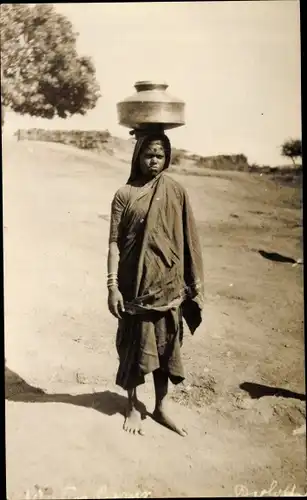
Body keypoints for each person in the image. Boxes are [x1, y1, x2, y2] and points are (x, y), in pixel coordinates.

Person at [107, 128, 204, 436]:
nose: (154, 161)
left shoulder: (176, 191)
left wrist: (191, 284)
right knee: (135, 346)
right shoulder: (125, 194)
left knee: (165, 347)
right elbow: (114, 243)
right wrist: (112, 286)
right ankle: (133, 405)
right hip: (134, 286)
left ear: (167, 158)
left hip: (168, 285)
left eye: (160, 155)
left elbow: (188, 239)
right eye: (148, 154)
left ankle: (161, 406)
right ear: (138, 156)